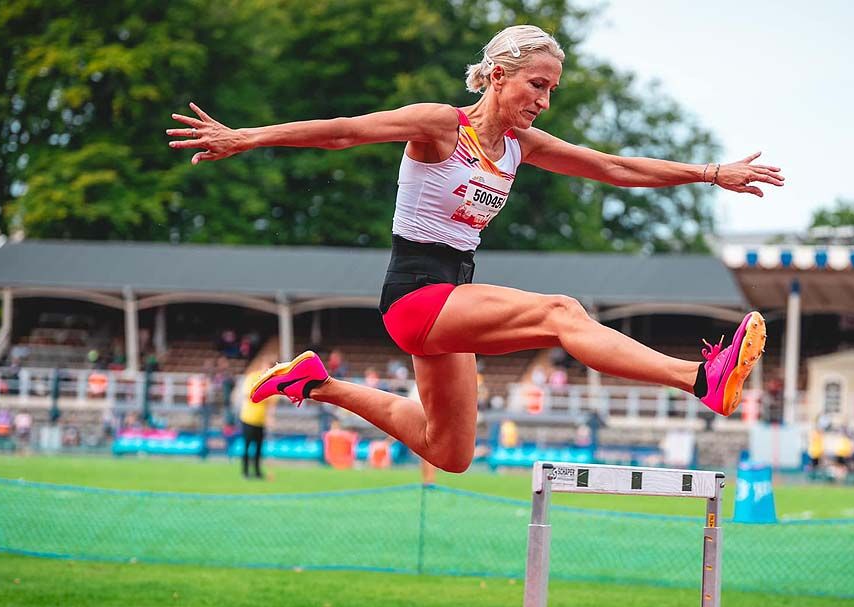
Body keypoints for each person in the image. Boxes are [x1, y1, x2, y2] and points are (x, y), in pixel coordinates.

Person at [170, 25, 779, 473]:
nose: (543, 101)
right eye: (536, 86)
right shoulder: (441, 125)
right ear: (497, 75)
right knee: (561, 312)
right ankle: (701, 378)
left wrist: (708, 173)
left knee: (450, 451)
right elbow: (347, 132)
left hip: (452, 296)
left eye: (551, 91)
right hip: (414, 295)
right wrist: (247, 137)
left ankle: (316, 383)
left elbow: (614, 168)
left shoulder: (522, 144)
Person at [238, 370, 274, 479]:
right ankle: (245, 472)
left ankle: (257, 472)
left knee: (258, 448)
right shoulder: (252, 378)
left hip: (260, 421)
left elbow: (271, 403)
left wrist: (270, 417)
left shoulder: (271, 383)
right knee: (247, 446)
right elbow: (248, 395)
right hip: (248, 419)